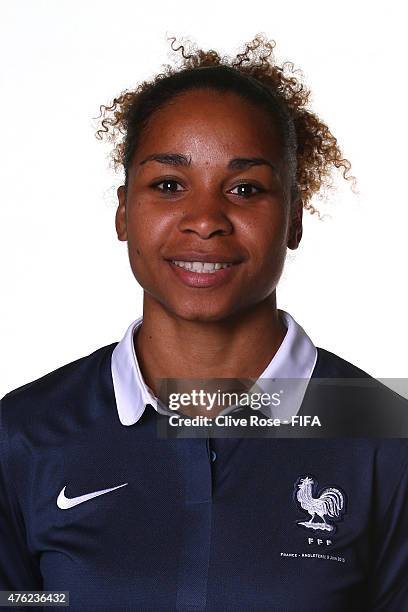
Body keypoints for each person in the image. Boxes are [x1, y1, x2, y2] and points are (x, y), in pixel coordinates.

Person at [1, 34, 407, 611]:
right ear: (123, 211)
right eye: (169, 185)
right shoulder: (24, 435)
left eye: (245, 189)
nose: (205, 220)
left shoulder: (386, 437)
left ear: (293, 217)